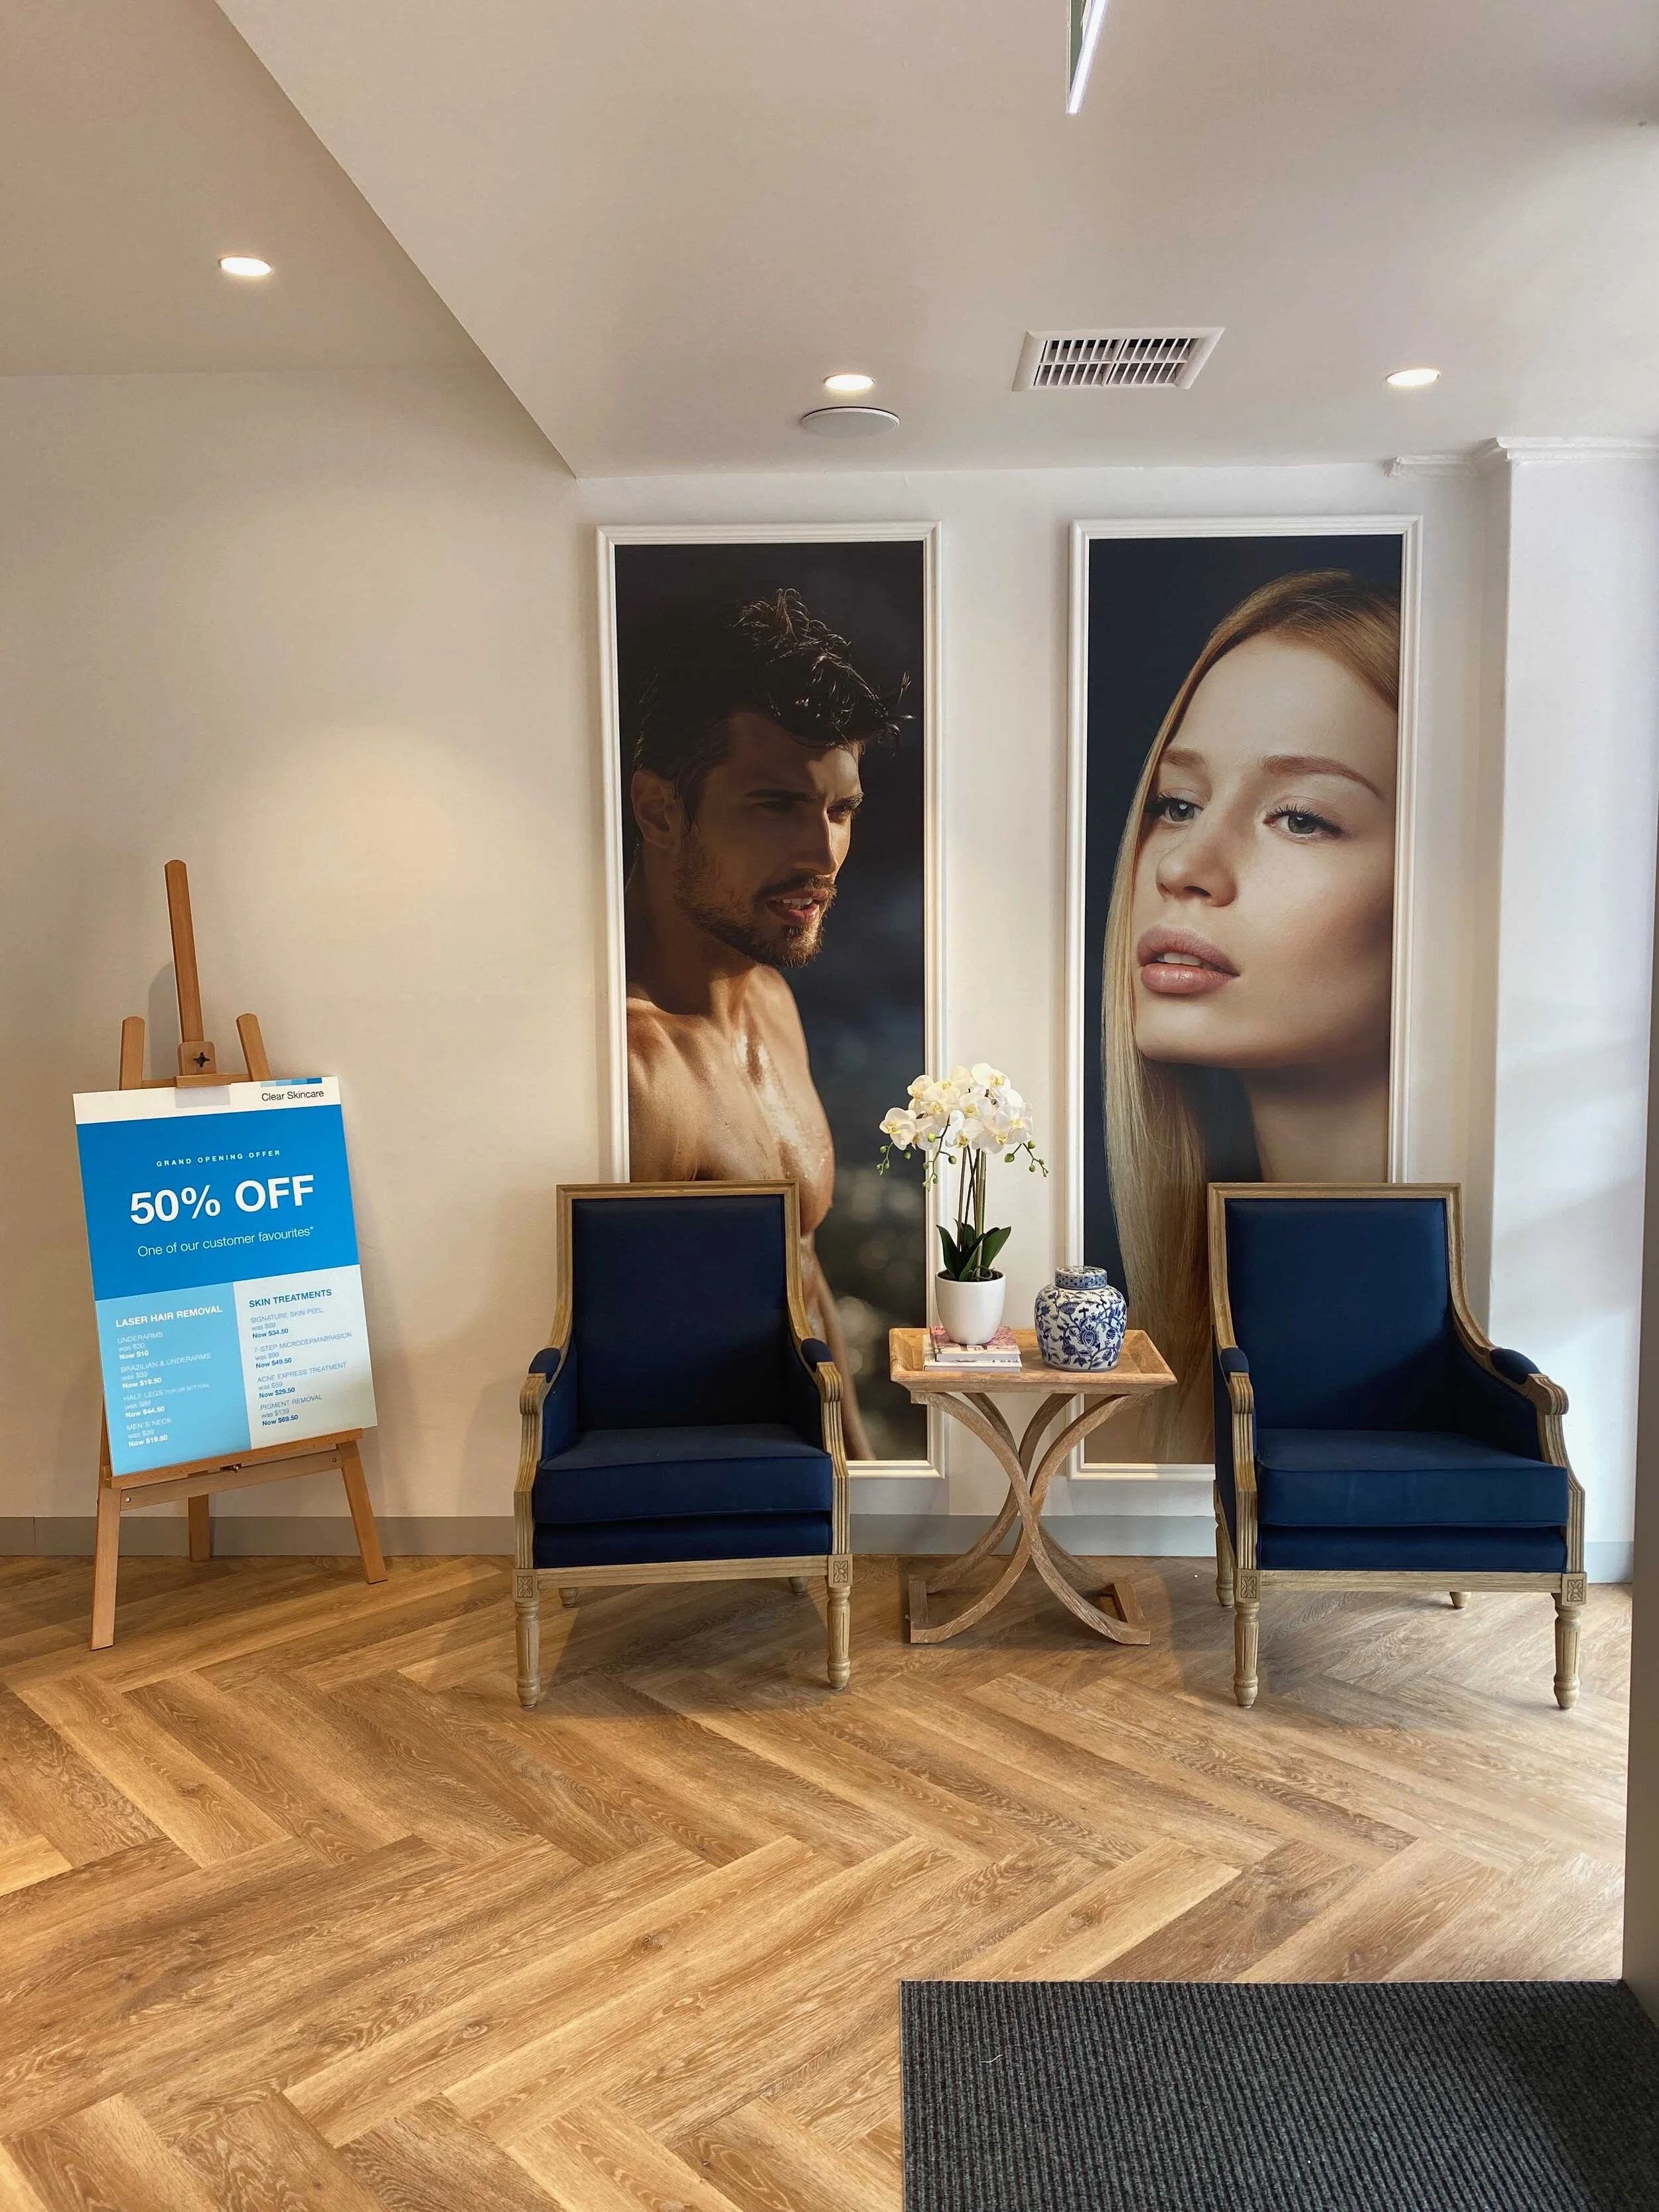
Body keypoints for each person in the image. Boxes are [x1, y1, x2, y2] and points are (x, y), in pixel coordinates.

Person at [1101, 569, 1402, 1458]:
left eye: (1301, 818)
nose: (1183, 865)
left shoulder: (1422, 1367)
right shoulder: (1141, 1404)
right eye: (1178, 804)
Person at [624, 587, 905, 1459]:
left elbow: (803, 1284)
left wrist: (863, 1485)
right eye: (776, 805)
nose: (823, 856)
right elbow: (628, 1368)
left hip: (813, 1490)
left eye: (840, 811)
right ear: (659, 811)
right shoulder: (633, 1069)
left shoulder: (771, 1001)